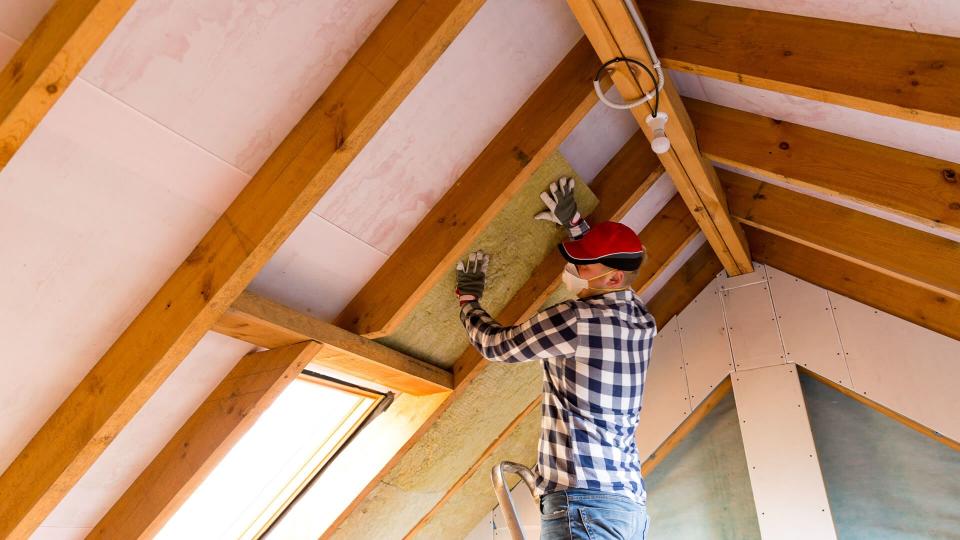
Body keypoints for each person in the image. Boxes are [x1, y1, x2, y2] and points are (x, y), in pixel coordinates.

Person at [455, 177, 656, 540]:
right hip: (627, 505)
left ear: (614, 278)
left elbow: (497, 346)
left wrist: (468, 303)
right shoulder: (642, 320)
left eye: (584, 266)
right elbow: (612, 266)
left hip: (584, 506)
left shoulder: (577, 319)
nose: (575, 271)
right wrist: (578, 227)